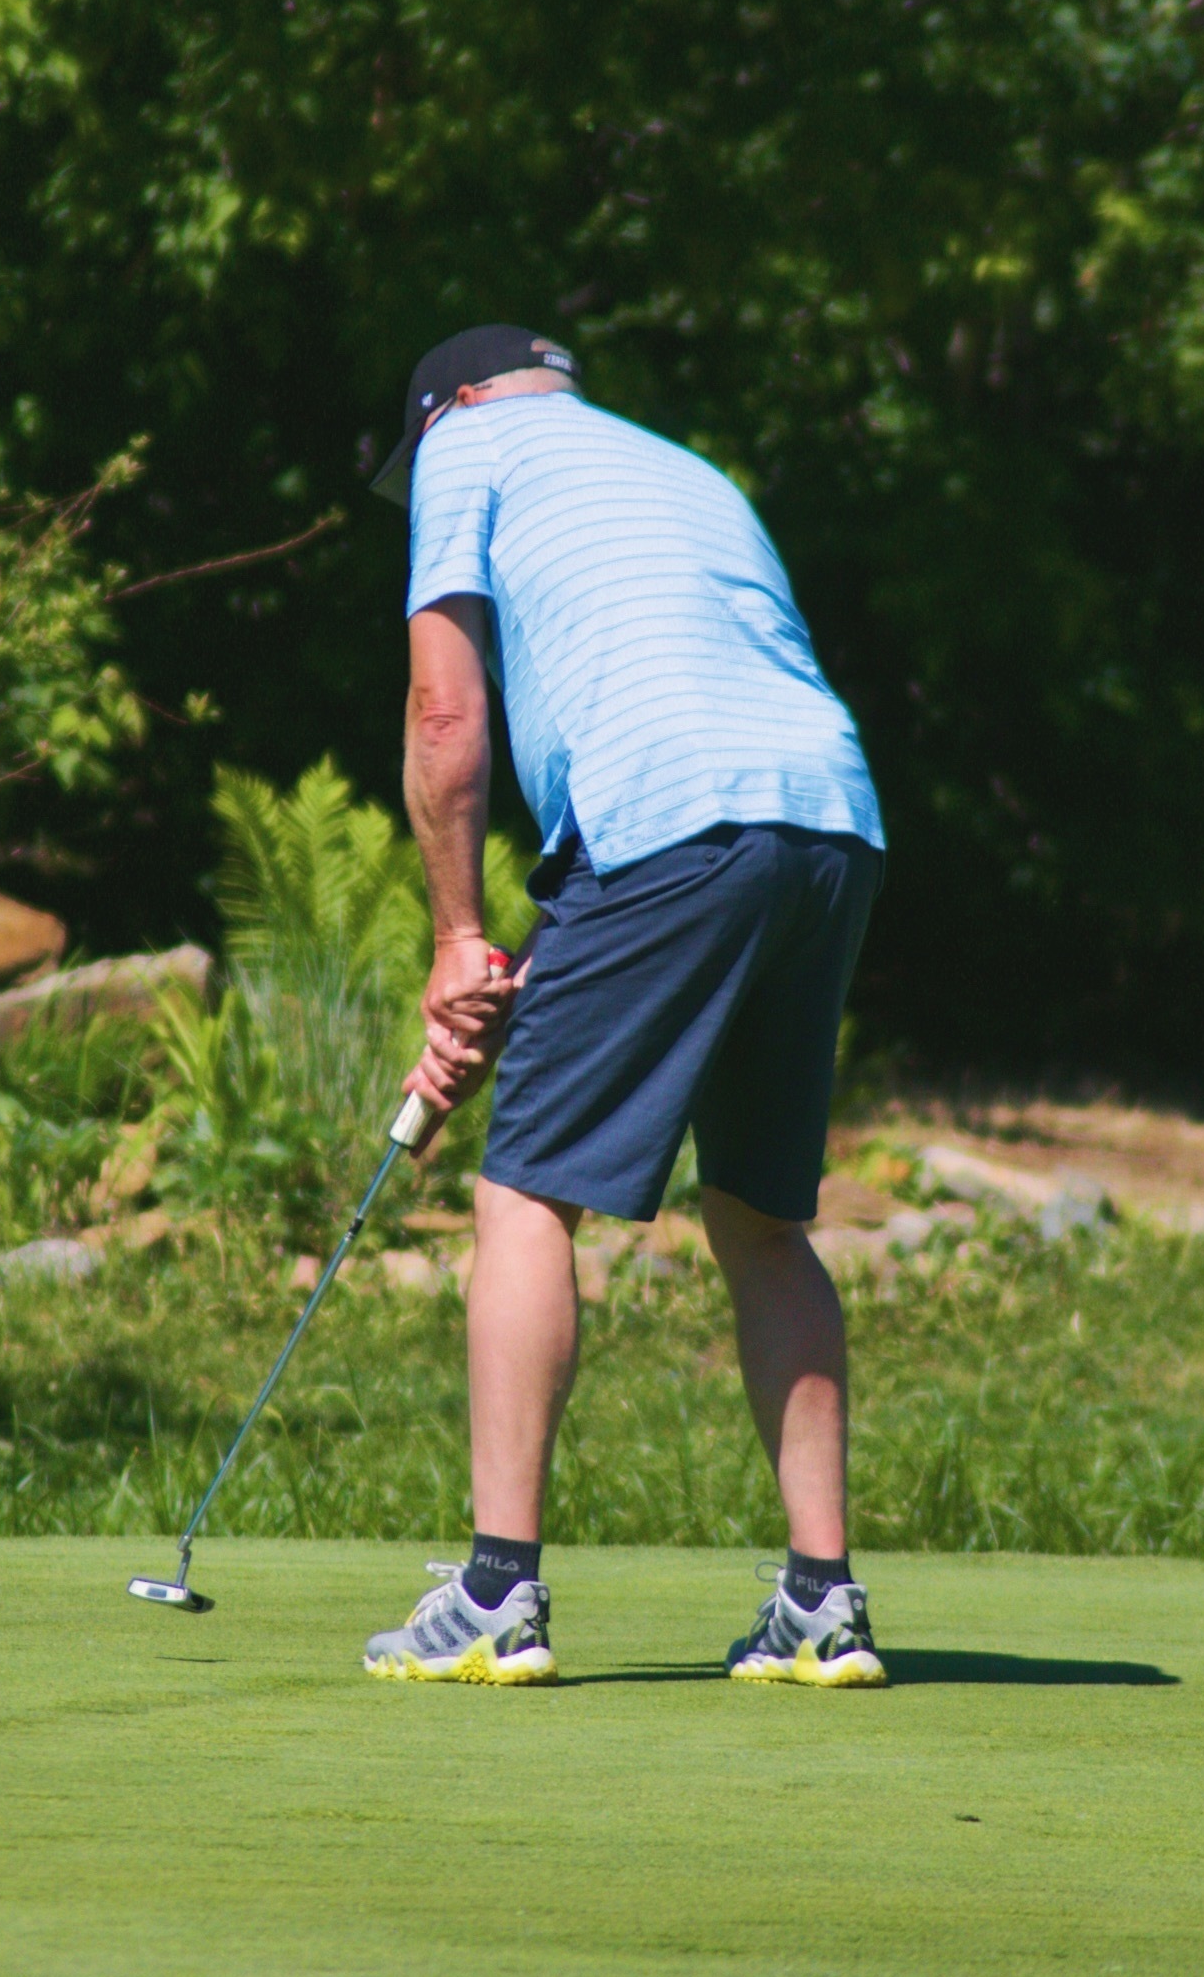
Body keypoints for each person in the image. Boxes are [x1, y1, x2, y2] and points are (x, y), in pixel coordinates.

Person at [361, 325, 887, 1688]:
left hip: (671, 817)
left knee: (524, 1191)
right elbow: (696, 759)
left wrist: (459, 939)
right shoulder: (683, 467)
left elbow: (443, 713)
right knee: (761, 1217)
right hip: (829, 822)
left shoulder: (464, 446)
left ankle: (495, 1594)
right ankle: (823, 1601)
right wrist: (527, 953)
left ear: (454, 404)